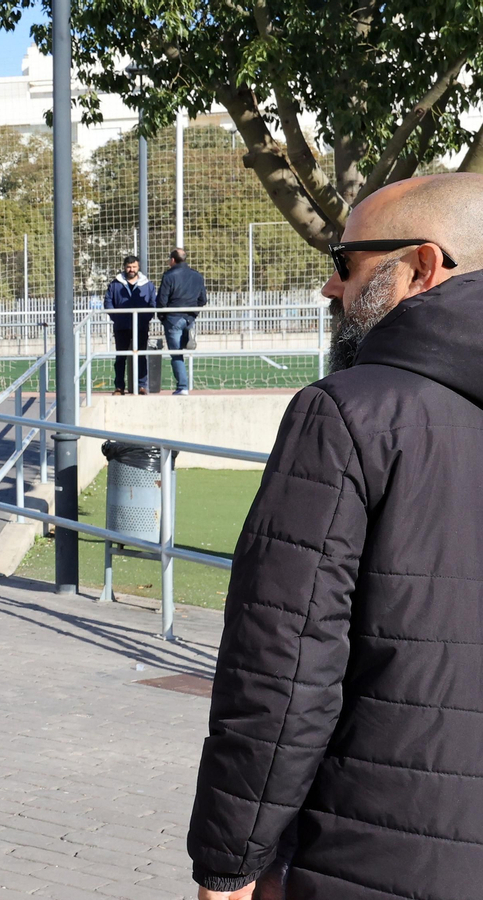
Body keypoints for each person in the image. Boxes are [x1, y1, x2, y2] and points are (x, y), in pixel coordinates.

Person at [187, 171, 483, 900]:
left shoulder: (348, 414)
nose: (329, 288)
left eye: (345, 263)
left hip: (371, 853)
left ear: (424, 264)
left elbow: (283, 668)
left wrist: (230, 864)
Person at [104, 254, 157, 394]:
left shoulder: (147, 284)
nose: (131, 269)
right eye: (129, 267)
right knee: (120, 357)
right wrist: (117, 317)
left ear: (138, 267)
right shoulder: (114, 284)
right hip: (121, 326)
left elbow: (153, 304)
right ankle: (119, 387)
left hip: (141, 326)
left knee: (141, 356)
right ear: (124, 267)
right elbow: (108, 303)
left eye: (134, 267)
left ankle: (142, 386)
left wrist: (145, 318)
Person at [157, 247, 207, 395]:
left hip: (173, 317)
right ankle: (188, 333)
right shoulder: (197, 276)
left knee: (176, 353)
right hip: (190, 317)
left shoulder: (169, 276)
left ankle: (183, 386)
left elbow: (162, 300)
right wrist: (193, 311)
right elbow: (203, 299)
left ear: (172, 260)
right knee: (182, 346)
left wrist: (162, 316)